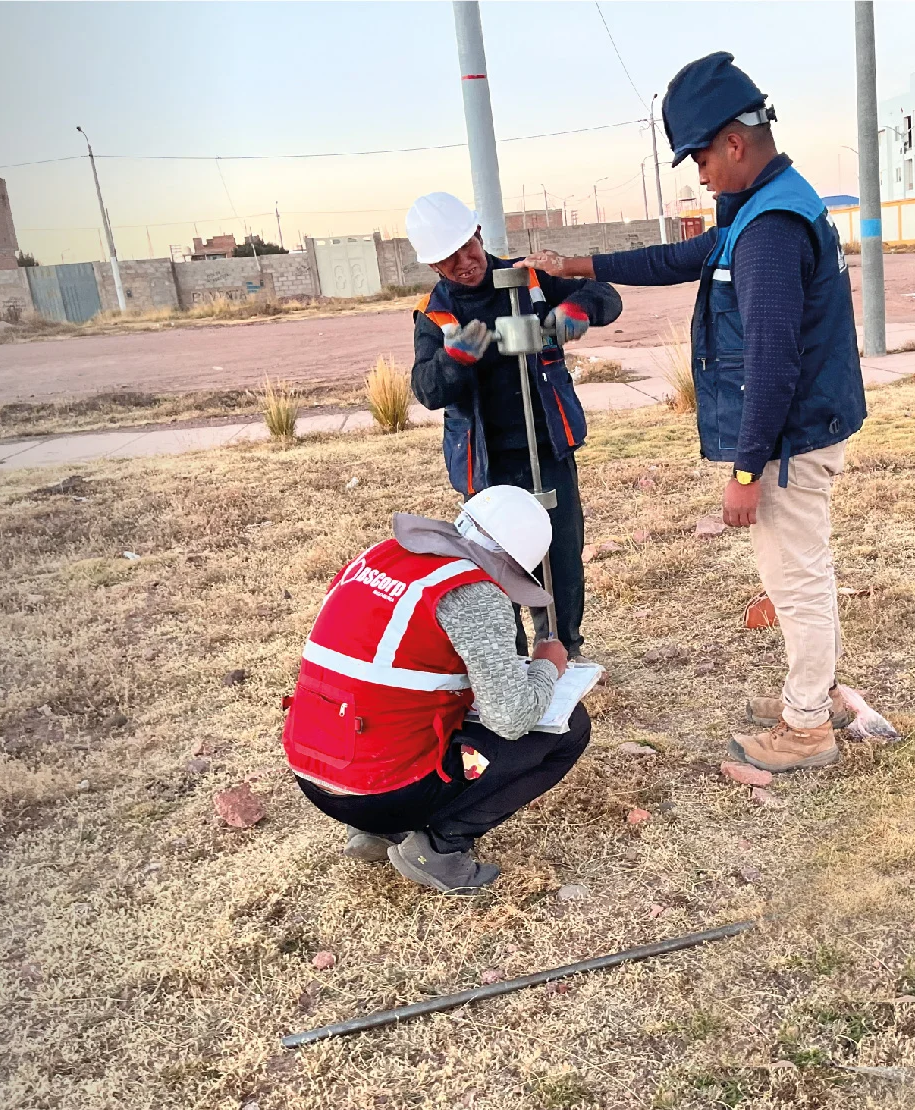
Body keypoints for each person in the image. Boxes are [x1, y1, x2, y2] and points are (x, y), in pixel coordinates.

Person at [521, 52, 867, 775]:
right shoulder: (769, 204)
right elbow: (688, 255)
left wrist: (745, 470)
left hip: (787, 440)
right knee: (801, 572)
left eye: (699, 158)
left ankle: (806, 726)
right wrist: (587, 266)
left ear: (734, 143)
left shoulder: (770, 230)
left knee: (795, 578)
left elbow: (772, 365)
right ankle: (815, 690)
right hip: (804, 429)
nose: (698, 174)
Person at [281, 485, 591, 895]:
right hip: (380, 790)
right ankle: (440, 848)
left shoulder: (380, 556)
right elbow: (511, 717)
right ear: (511, 562)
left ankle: (378, 832)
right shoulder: (473, 592)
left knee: (405, 706)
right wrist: (547, 666)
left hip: (314, 769)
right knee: (570, 728)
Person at [406, 192, 623, 660]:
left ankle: (566, 651)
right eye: (449, 259)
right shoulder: (434, 313)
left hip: (547, 447)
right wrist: (454, 359)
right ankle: (514, 661)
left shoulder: (529, 277)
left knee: (561, 558)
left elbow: (606, 294)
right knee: (496, 567)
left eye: (468, 247)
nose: (465, 263)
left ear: (479, 235)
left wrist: (577, 312)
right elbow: (426, 388)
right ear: (434, 267)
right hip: (485, 465)